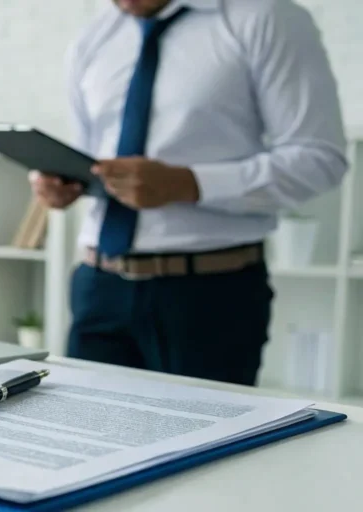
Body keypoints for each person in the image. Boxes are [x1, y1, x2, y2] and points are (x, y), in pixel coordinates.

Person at [31, 0, 347, 385]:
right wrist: (64, 183)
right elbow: (94, 154)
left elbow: (319, 159)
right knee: (85, 440)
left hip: (208, 296)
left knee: (206, 444)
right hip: (99, 286)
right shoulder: (97, 35)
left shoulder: (266, 18)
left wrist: (189, 184)